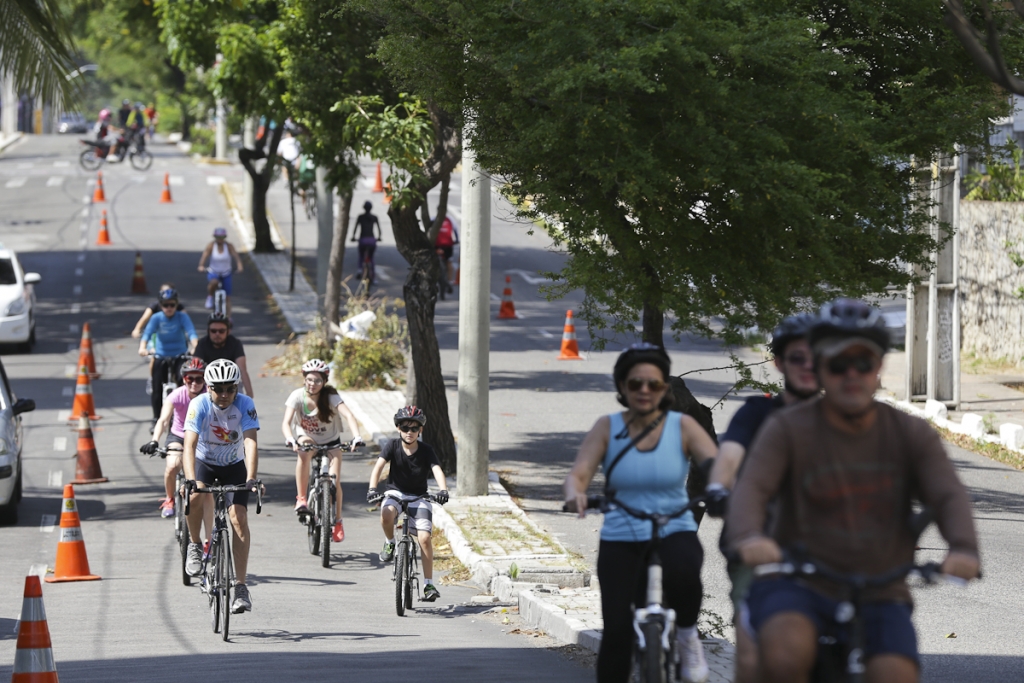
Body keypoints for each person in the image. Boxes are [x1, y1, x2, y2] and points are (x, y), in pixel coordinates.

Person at [726, 299, 981, 683]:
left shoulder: (910, 433)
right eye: (837, 364)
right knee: (784, 655)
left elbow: (947, 494)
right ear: (820, 368)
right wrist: (749, 536)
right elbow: (753, 487)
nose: (851, 375)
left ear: (878, 367)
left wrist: (963, 547)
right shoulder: (787, 428)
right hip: (797, 582)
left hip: (882, 590)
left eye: (862, 363)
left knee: (896, 674)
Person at [563, 343, 718, 683]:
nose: (644, 390)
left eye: (653, 383)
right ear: (623, 386)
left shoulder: (682, 426)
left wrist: (722, 488)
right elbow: (579, 473)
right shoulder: (608, 427)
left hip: (673, 526)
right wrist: (576, 495)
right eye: (635, 383)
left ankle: (687, 637)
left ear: (664, 388)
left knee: (686, 569)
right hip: (622, 532)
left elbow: (715, 463)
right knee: (617, 632)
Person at [702, 314, 818, 683]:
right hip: (758, 545)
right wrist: (719, 488)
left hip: (829, 550)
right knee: (753, 655)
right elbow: (729, 457)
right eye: (797, 357)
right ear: (778, 363)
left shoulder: (845, 418)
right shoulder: (757, 413)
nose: (809, 365)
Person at [182, 359, 260, 614]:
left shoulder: (245, 404)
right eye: (218, 389)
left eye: (230, 389)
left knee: (238, 518)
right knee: (194, 496)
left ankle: (241, 587)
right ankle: (195, 545)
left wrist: (251, 478)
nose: (224, 394)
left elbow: (250, 443)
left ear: (237, 388)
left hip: (233, 466)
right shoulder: (199, 404)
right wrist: (191, 480)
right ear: (208, 388)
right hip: (204, 463)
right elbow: (189, 445)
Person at [367, 406, 449, 603]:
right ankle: (390, 543)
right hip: (395, 493)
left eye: (414, 428)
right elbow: (379, 466)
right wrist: (372, 489)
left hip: (420, 496)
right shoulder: (392, 445)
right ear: (398, 428)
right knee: (386, 513)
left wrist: (443, 490)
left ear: (420, 430)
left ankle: (428, 584)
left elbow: (436, 469)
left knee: (425, 538)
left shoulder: (426, 450)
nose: (409, 432)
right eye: (405, 428)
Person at [282, 359, 365, 542]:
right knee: (303, 453)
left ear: (325, 381)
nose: (313, 384)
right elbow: (286, 423)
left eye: (318, 380)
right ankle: (301, 498)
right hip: (308, 438)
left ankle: (338, 521)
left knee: (335, 482)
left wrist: (357, 437)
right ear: (304, 379)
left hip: (331, 442)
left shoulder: (330, 397)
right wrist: (290, 438)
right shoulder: (297, 396)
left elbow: (349, 415)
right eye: (309, 379)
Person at [140, 357, 210, 524]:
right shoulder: (177, 395)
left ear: (205, 380)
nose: (194, 383)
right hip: (179, 436)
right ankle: (169, 499)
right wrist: (154, 440)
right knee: (172, 465)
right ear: (183, 379)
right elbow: (164, 420)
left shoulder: (209, 396)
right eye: (190, 378)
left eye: (199, 379)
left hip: (202, 437)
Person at [138, 288, 198, 422]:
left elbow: (191, 332)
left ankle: (185, 416)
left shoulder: (182, 316)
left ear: (177, 305)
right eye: (165, 305)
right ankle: (156, 418)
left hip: (180, 355)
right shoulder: (156, 318)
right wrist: (142, 347)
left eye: (172, 305)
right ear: (160, 305)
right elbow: (147, 334)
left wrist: (196, 346)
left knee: (185, 384)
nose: (169, 308)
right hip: (161, 355)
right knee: (156, 386)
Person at [193, 313, 254, 398]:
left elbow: (242, 370)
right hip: (208, 384)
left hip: (231, 383)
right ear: (208, 331)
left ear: (228, 331)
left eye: (221, 331)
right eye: (213, 331)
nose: (217, 334)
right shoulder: (202, 344)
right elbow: (195, 368)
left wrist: (249, 395)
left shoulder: (235, 344)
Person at [197, 227, 244, 317]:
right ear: (215, 237)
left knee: (227, 298)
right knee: (214, 282)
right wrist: (201, 266)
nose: (220, 240)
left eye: (222, 237)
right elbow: (205, 256)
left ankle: (229, 318)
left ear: (225, 237)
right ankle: (210, 296)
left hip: (226, 273)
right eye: (218, 237)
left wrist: (240, 266)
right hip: (214, 271)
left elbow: (236, 257)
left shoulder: (229, 246)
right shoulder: (211, 246)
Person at [350, 201, 381, 282]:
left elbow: (355, 228)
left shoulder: (360, 217)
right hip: (371, 240)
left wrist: (353, 237)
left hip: (363, 239)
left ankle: (360, 269)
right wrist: (379, 237)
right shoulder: (374, 217)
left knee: (361, 255)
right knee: (371, 258)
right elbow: (379, 230)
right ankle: (373, 277)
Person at [434, 214, 459, 293]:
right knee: (449, 262)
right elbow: (455, 230)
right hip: (448, 245)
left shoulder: (433, 219)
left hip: (437, 245)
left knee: (433, 262)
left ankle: (433, 280)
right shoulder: (450, 219)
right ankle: (450, 280)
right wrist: (457, 240)